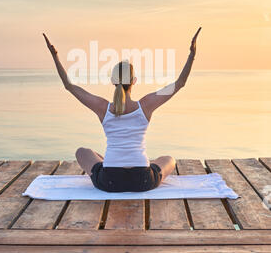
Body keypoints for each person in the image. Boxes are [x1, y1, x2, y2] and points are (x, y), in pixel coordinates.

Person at [43, 27, 201, 192]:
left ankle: (109, 162)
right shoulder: (146, 105)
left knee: (82, 152)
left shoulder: (103, 107)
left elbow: (69, 86)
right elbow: (180, 83)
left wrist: (55, 56)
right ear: (134, 81)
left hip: (110, 181)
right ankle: (114, 163)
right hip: (143, 180)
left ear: (112, 81)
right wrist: (192, 55)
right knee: (169, 159)